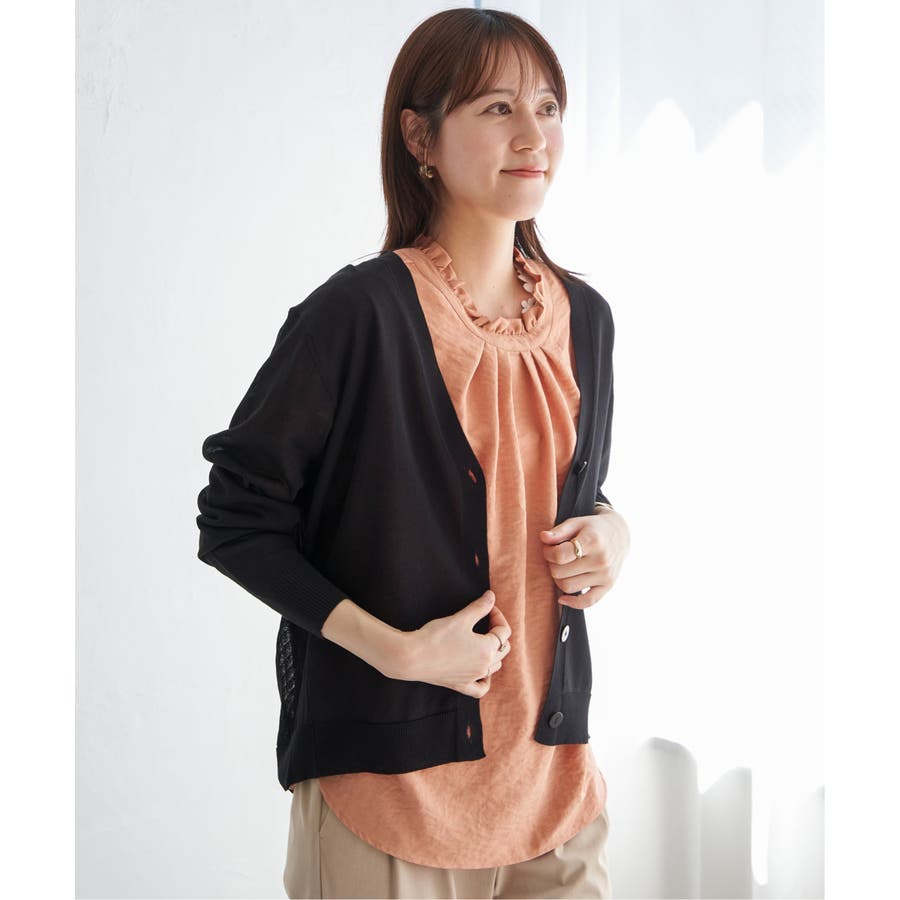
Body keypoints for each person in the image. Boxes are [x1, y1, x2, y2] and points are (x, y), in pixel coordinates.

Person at [195, 7, 630, 899]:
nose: (533, 134)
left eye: (548, 107)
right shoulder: (359, 315)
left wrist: (613, 532)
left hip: (550, 786)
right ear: (419, 137)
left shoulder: (584, 318)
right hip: (389, 795)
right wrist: (395, 650)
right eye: (497, 108)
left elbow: (548, 490)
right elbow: (236, 517)